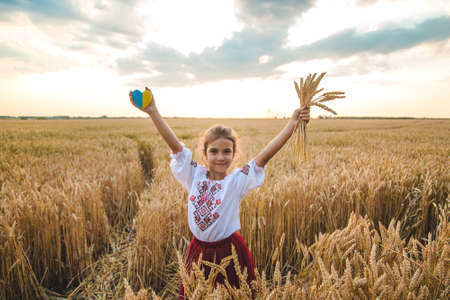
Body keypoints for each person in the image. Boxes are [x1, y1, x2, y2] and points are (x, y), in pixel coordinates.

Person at [129, 87, 310, 298]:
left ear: (234, 154)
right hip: (198, 253)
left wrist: (292, 123)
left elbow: (264, 156)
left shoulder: (236, 182)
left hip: (229, 253)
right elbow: (176, 148)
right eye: (214, 151)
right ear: (204, 153)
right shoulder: (193, 175)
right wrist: (153, 111)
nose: (220, 157)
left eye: (227, 151)